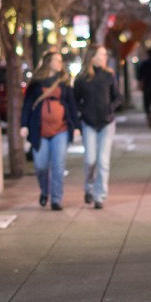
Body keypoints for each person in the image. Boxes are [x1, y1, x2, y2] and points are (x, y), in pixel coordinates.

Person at [20, 50, 79, 211]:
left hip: (61, 129)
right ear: (48, 62)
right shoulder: (37, 83)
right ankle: (45, 191)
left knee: (58, 165)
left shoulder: (64, 82)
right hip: (39, 130)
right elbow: (27, 105)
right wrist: (24, 125)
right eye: (56, 60)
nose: (60, 64)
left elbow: (72, 105)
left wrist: (76, 126)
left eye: (61, 61)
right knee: (40, 166)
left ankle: (56, 199)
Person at [74, 46, 121, 209]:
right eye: (101, 54)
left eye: (104, 54)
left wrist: (110, 108)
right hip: (89, 123)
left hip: (106, 123)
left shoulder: (109, 75)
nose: (104, 56)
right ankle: (89, 188)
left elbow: (117, 97)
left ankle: (99, 195)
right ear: (92, 57)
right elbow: (75, 100)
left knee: (103, 161)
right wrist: (82, 114)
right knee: (90, 160)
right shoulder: (81, 78)